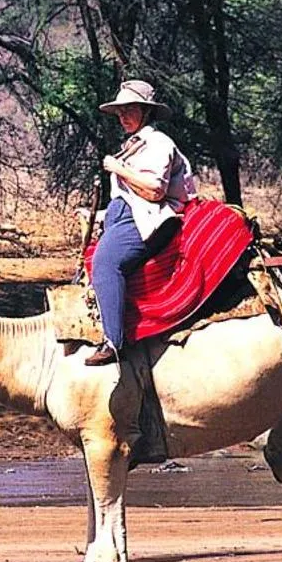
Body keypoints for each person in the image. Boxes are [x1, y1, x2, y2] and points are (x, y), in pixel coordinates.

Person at [84, 79, 197, 367]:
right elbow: (126, 198)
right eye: (120, 111)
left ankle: (113, 342)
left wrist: (119, 168)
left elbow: (154, 191)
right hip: (127, 217)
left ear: (146, 112)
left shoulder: (158, 143)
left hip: (150, 219)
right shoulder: (134, 146)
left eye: (130, 109)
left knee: (105, 264)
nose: (123, 116)